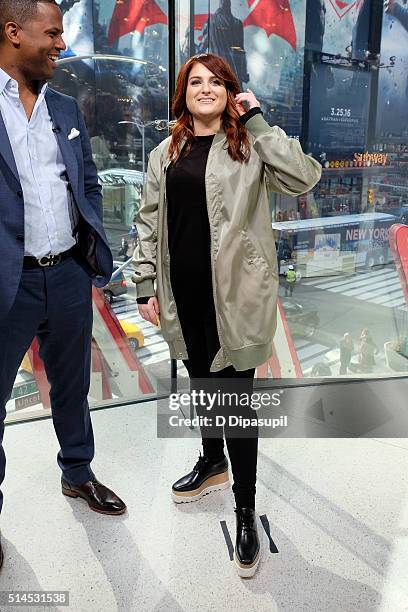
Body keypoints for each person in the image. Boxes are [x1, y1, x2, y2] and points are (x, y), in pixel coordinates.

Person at [132, 53, 321, 577]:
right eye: (196, 82)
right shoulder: (163, 153)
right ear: (182, 93)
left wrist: (256, 118)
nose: (206, 88)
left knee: (235, 402)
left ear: (231, 91)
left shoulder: (249, 146)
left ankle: (244, 510)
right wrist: (146, 283)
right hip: (183, 296)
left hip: (236, 296)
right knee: (201, 383)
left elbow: (304, 177)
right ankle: (210, 460)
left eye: (216, 81)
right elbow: (147, 223)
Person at [0, 0, 127, 568]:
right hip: (9, 284)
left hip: (69, 277)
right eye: (51, 33)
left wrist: (87, 248)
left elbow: (89, 183)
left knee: (73, 389)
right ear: (12, 32)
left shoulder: (65, 106)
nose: (60, 45)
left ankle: (77, 474)